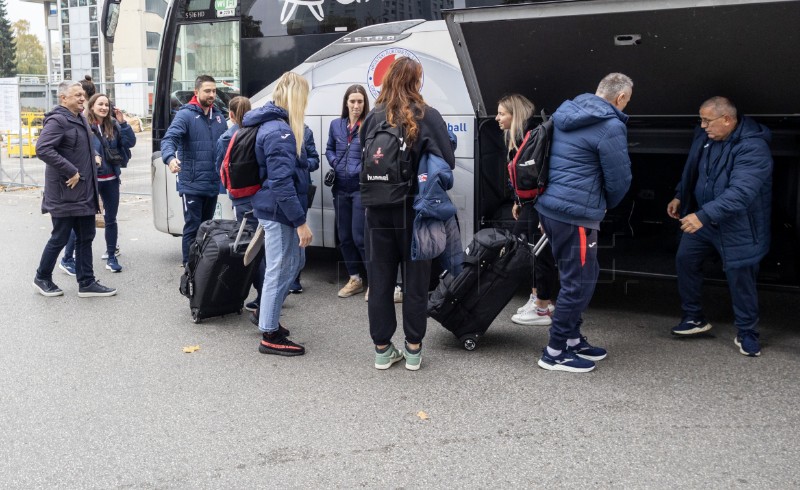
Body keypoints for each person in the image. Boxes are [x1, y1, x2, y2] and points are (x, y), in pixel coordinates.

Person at [534, 73, 634, 372]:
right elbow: (620, 178)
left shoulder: (567, 113)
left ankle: (574, 340)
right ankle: (554, 352)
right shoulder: (611, 124)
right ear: (620, 99)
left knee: (581, 276)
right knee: (579, 283)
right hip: (576, 214)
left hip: (551, 209)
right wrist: (602, 207)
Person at [360, 57, 455, 371]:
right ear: (416, 82)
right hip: (416, 211)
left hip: (375, 211)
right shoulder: (426, 115)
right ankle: (413, 349)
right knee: (415, 282)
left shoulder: (372, 117)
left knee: (380, 281)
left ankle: (382, 350)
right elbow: (448, 160)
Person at [667, 96, 772, 357]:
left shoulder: (753, 148)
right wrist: (681, 194)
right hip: (705, 219)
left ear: (727, 119)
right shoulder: (705, 138)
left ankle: (748, 332)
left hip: (738, 225)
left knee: (740, 277)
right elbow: (692, 171)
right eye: (701, 120)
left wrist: (701, 215)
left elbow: (741, 193)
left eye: (707, 120)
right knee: (685, 260)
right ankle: (694, 318)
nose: (702, 126)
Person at [241, 72, 312, 356]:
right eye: (304, 97)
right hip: (279, 211)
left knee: (293, 262)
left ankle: (266, 316)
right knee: (279, 268)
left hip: (274, 208)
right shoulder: (280, 132)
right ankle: (269, 334)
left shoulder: (274, 126)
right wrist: (301, 222)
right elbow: (282, 184)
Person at [32, 80, 117, 298]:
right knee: (60, 236)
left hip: (83, 190)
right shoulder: (58, 120)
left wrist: (94, 156)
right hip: (64, 191)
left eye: (82, 94)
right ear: (63, 98)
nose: (82, 98)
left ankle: (86, 282)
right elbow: (42, 148)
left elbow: (77, 147)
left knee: (86, 235)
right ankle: (42, 277)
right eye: (77, 94)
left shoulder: (79, 117)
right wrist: (70, 170)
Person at [495, 93, 558, 326]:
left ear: (515, 115)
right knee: (530, 248)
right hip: (529, 204)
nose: (497, 118)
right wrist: (517, 201)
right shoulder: (519, 139)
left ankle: (543, 306)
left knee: (538, 252)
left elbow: (542, 178)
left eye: (502, 113)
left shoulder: (533, 138)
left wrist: (544, 212)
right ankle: (537, 298)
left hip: (540, 204)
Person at [161, 75, 228, 266]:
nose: (212, 95)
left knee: (207, 226)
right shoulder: (185, 115)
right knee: (192, 227)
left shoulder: (218, 116)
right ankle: (189, 266)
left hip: (212, 182)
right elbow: (169, 139)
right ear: (196, 92)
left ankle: (202, 267)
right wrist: (170, 158)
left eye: (214, 91)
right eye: (207, 91)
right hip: (191, 183)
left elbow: (227, 145)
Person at [214, 95, 262, 311]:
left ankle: (262, 294)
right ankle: (267, 292)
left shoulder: (227, 137)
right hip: (259, 195)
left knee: (250, 246)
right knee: (263, 243)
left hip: (240, 198)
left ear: (230, 115)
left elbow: (220, 169)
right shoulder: (258, 132)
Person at [326, 84, 369, 299]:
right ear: (346, 103)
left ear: (364, 104)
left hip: (360, 189)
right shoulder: (336, 125)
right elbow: (329, 149)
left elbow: (374, 155)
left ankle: (376, 282)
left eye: (360, 101)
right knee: (344, 237)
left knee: (360, 237)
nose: (356, 106)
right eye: (352, 101)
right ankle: (355, 279)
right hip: (340, 189)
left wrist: (356, 170)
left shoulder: (369, 125)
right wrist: (335, 163)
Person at [84, 93, 136, 272]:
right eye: (100, 104)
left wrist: (123, 123)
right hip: (92, 180)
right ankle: (71, 256)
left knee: (111, 219)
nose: (104, 108)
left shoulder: (113, 125)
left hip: (111, 179)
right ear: (92, 106)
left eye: (106, 105)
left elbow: (130, 143)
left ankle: (111, 256)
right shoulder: (84, 125)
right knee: (84, 219)